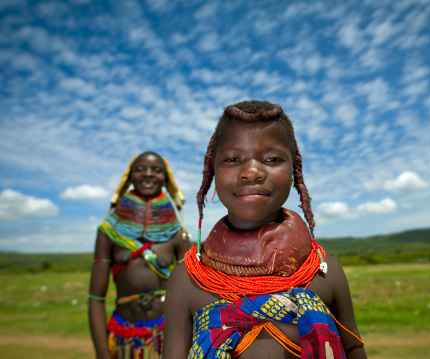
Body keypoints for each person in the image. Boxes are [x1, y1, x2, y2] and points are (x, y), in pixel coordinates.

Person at [162, 101, 367, 358]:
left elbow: (354, 351)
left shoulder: (325, 271)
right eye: (233, 159)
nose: (252, 172)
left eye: (272, 159)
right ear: (213, 170)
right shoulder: (186, 280)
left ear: (294, 170)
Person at [89, 151, 191, 359]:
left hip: (168, 336)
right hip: (122, 337)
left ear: (166, 179)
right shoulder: (108, 232)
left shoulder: (178, 234)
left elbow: (190, 295)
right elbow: (95, 298)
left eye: (156, 170)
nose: (148, 174)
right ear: (130, 177)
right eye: (140, 169)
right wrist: (102, 353)